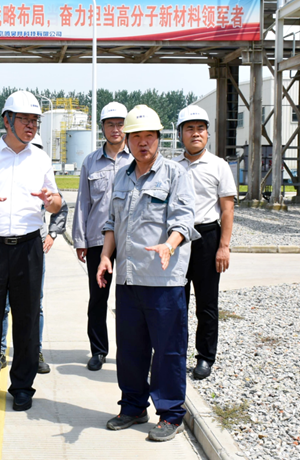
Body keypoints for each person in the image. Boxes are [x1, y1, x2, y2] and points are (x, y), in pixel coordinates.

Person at [96, 105, 199, 442]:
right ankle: (133, 406)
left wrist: (169, 245)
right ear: (127, 140)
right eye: (136, 136)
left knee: (168, 350)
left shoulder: (174, 174)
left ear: (159, 138)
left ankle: (170, 414)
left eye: (149, 136)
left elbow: (183, 219)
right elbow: (111, 222)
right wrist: (105, 257)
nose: (143, 142)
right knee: (130, 350)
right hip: (128, 278)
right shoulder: (122, 176)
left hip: (163, 281)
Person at [0, 90, 62, 412]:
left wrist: (51, 200)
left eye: (35, 121)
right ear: (7, 120)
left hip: (28, 247)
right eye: (25, 119)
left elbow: (57, 203)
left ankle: (22, 387)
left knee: (27, 319)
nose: (31, 126)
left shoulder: (41, 159)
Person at [174, 105, 237, 380]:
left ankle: (204, 357)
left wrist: (223, 246)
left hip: (207, 237)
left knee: (207, 304)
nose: (196, 133)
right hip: (177, 239)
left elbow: (227, 210)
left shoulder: (218, 166)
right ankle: (175, 354)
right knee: (176, 302)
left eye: (200, 128)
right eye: (189, 128)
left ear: (208, 133)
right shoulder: (172, 167)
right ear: (180, 134)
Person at [0, 134, 68, 374]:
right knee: (2, 305)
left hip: (33, 247)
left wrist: (52, 234)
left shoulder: (42, 176)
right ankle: (0, 351)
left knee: (34, 304)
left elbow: (61, 207)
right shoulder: (6, 175)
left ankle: (34, 351)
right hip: (4, 248)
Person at [72, 102, 133, 371]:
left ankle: (131, 350)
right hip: (97, 239)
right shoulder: (91, 161)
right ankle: (98, 350)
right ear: (102, 128)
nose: (116, 129)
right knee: (98, 297)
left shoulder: (136, 158)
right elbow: (83, 202)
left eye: (120, 124)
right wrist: (80, 240)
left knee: (130, 298)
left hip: (131, 239)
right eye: (110, 124)